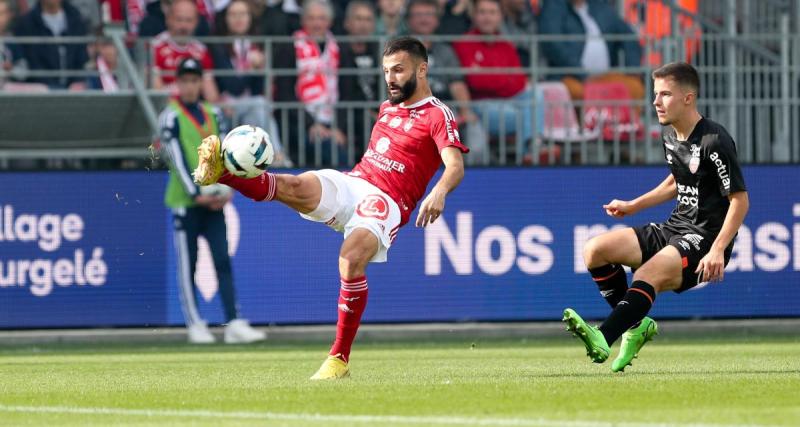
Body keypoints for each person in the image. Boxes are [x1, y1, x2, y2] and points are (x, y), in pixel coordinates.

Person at [194, 36, 468, 379]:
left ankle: (338, 359)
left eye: (398, 70)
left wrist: (439, 191)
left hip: (387, 200)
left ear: (422, 69)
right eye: (386, 71)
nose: (391, 78)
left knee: (350, 260)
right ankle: (222, 173)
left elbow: (455, 166)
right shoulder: (387, 108)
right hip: (355, 181)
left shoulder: (437, 114)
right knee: (293, 185)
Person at [562, 62, 749, 372]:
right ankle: (636, 325)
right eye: (655, 94)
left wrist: (718, 249)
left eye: (665, 94)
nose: (655, 102)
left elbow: (740, 200)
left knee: (646, 275)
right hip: (675, 227)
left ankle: (604, 337)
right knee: (595, 250)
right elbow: (677, 181)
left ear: (688, 98)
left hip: (704, 239)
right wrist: (634, 205)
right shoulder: (671, 137)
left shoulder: (715, 140)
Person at [160, 57, 266, 344]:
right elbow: (175, 158)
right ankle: (195, 323)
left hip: (214, 199)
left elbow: (225, 153)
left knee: (222, 259)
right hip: (186, 201)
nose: (190, 86)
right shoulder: (171, 116)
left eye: (194, 81)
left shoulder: (213, 113)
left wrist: (227, 187)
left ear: (201, 83)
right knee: (189, 264)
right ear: (178, 83)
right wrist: (195, 193)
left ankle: (233, 321)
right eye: (185, 81)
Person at [406, 0, 487, 163]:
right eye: (419, 15)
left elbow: (457, 84)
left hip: (446, 108)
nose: (424, 19)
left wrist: (465, 111)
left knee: (475, 132)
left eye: (429, 15)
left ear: (437, 21)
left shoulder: (445, 50)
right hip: (412, 110)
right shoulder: (400, 50)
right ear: (409, 21)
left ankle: (473, 175)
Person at [452, 0, 536, 144]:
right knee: (530, 116)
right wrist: (505, 78)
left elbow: (520, 82)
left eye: (492, 13)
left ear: (500, 17)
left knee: (536, 94)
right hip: (480, 104)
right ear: (474, 16)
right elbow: (475, 82)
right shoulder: (464, 44)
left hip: (508, 101)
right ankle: (532, 148)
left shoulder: (507, 45)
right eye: (482, 12)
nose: (487, 17)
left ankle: (532, 146)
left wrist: (487, 74)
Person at [272, 0, 343, 166]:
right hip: (301, 122)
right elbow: (285, 93)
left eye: (321, 18)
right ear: (303, 20)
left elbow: (346, 90)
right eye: (311, 18)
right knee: (333, 153)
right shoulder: (290, 46)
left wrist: (339, 127)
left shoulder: (339, 46)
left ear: (330, 22)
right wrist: (311, 124)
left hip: (332, 120)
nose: (317, 24)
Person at [538, 0, 643, 101]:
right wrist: (580, 72)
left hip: (604, 76)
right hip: (571, 78)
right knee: (578, 93)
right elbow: (553, 44)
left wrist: (633, 69)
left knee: (635, 88)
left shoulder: (599, 7)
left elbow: (628, 36)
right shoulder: (554, 7)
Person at [337, 0, 380, 161]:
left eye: (368, 20)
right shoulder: (338, 51)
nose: (363, 25)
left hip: (374, 112)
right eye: (358, 19)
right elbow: (343, 91)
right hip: (347, 115)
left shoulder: (379, 51)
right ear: (347, 23)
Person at [151, 0, 219, 102]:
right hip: (166, 108)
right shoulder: (155, 47)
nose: (184, 26)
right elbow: (157, 95)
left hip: (193, 108)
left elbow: (211, 96)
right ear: (168, 19)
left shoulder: (201, 51)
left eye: (189, 20)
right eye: (179, 20)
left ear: (196, 22)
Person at [13, 0, 88, 90]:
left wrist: (77, 82)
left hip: (76, 90)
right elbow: (31, 62)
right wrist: (51, 88)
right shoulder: (25, 24)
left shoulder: (78, 19)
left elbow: (82, 57)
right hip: (41, 91)